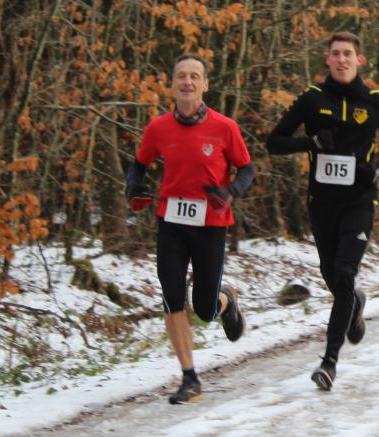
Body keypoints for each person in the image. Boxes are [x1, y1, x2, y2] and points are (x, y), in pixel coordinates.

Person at [266, 31, 379, 391]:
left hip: (360, 201)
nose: (341, 60)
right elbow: (273, 142)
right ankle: (353, 304)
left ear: (359, 60)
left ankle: (329, 361)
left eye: (348, 54)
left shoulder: (376, 102)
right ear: (326, 59)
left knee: (344, 272)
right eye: (335, 54)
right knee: (335, 279)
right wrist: (308, 142)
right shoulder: (312, 99)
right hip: (322, 202)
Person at [124, 53, 255, 404]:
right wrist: (135, 188)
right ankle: (189, 378)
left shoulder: (224, 127)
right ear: (171, 84)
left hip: (211, 225)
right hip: (171, 223)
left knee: (205, 310)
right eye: (181, 75)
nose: (187, 82)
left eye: (194, 76)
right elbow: (138, 165)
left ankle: (227, 302)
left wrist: (230, 193)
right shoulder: (158, 128)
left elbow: (247, 169)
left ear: (205, 84)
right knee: (171, 298)